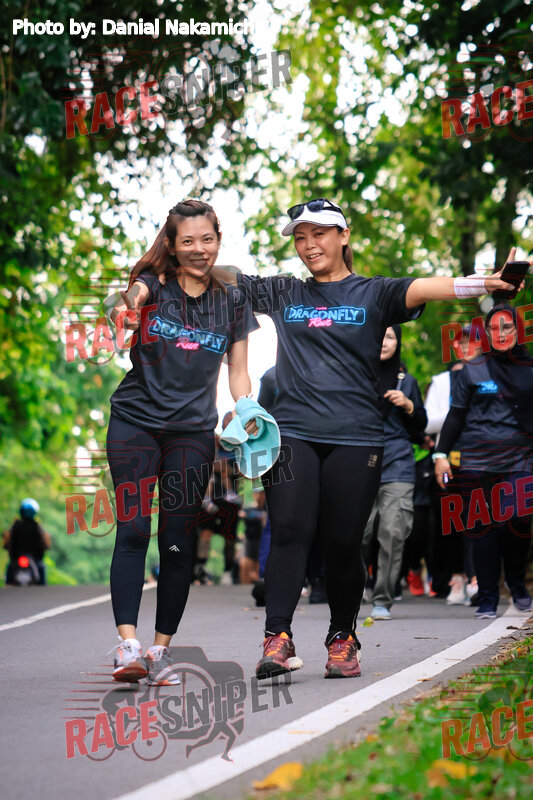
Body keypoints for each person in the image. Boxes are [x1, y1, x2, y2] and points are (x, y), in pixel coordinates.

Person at [215, 197, 520, 679]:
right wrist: (190, 257)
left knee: (342, 542)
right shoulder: (285, 292)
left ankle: (342, 637)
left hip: (356, 436)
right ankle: (277, 638)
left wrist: (488, 283)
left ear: (344, 235)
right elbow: (229, 277)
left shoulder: (374, 293)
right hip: (292, 433)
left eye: (319, 233)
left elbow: (431, 286)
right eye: (300, 237)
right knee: (291, 531)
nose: (309, 245)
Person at [105, 199, 258, 684]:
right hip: (135, 423)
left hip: (192, 433)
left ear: (219, 240)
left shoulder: (232, 300)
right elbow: (126, 299)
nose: (199, 249)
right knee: (133, 529)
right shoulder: (154, 285)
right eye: (187, 241)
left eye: (207, 239)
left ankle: (159, 652)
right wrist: (126, 311)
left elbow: (238, 371)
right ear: (171, 246)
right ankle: (127, 646)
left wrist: (247, 409)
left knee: (176, 541)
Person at [434, 302, 533, 619]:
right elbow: (455, 416)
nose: (500, 334)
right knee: (482, 528)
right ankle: (488, 597)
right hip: (477, 459)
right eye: (493, 329)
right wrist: (440, 455)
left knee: (517, 521)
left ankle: (516, 583)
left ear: (518, 330)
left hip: (520, 458)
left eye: (507, 327)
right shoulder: (473, 369)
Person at [362, 325, 427, 619]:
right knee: (358, 533)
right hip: (358, 462)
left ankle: (382, 598)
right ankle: (353, 589)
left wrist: (409, 406)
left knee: (392, 532)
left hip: (397, 463)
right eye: (380, 335)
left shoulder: (407, 381)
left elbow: (420, 428)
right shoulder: (355, 375)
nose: (384, 342)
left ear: (398, 342)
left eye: (390, 336)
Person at [3, 499, 51, 585]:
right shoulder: (37, 526)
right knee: (41, 569)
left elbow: (7, 540)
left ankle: (7, 585)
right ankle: (43, 588)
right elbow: (44, 542)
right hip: (34, 558)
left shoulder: (15, 525)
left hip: (16, 557)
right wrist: (46, 547)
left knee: (10, 568)